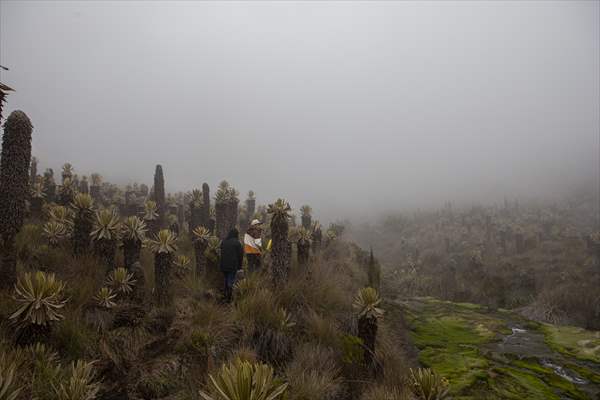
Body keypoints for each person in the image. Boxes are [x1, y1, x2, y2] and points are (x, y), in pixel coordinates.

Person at [220, 228, 243, 303]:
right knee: (230, 281)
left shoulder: (224, 242)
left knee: (226, 280)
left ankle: (225, 296)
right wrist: (240, 267)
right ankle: (229, 299)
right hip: (232, 266)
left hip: (223, 265)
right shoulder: (237, 243)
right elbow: (240, 256)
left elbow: (221, 253)